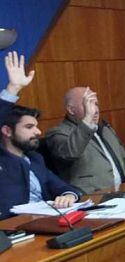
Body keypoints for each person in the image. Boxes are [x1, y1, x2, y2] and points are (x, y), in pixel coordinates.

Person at [1, 52, 82, 220]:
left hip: (46, 223)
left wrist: (68, 196)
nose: (38, 132)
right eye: (29, 127)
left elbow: (65, 188)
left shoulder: (35, 159)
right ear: (7, 131)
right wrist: (13, 88)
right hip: (14, 232)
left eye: (37, 127)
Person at [44, 86, 125, 193]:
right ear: (71, 110)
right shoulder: (58, 133)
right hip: (93, 196)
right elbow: (70, 153)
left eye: (96, 104)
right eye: (88, 105)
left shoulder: (105, 128)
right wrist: (87, 120)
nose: (95, 110)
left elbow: (124, 157)